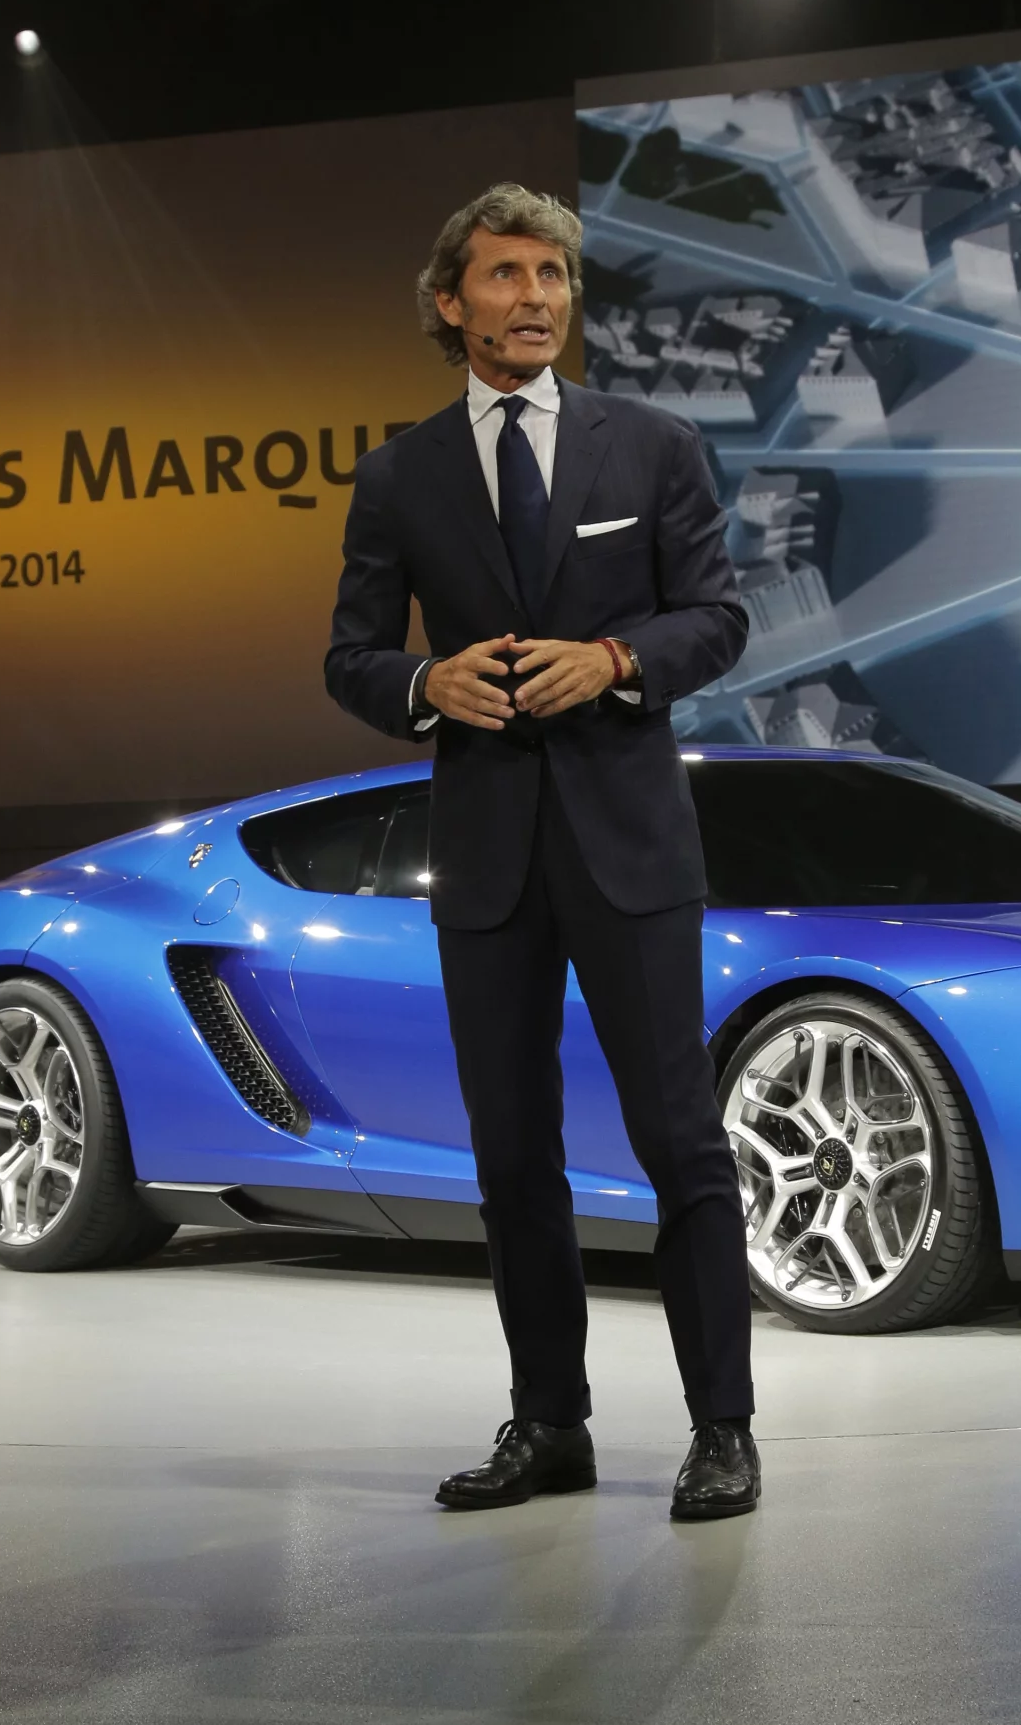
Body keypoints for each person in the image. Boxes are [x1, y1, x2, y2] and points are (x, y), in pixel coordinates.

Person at [325, 182, 759, 1521]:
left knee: (680, 1140)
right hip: (490, 856)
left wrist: (618, 659)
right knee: (513, 1156)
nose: (536, 298)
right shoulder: (399, 475)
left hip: (631, 846)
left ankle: (724, 1430)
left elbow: (721, 620)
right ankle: (550, 1426)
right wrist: (421, 687)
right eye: (507, 275)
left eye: (554, 275)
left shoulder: (656, 446)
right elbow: (349, 654)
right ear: (450, 302)